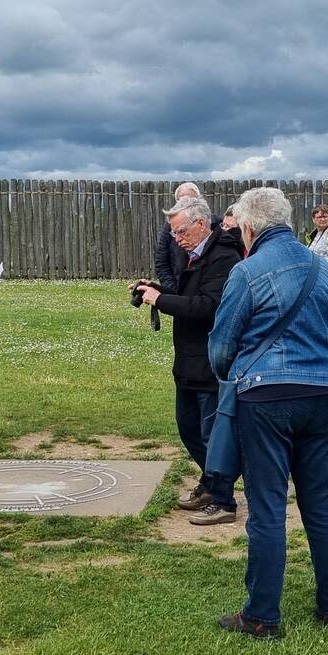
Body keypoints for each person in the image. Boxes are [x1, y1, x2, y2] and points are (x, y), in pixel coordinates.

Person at [208, 187, 328, 638]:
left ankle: (262, 615)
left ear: (248, 228)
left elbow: (222, 345)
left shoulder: (246, 271)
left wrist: (234, 370)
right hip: (327, 389)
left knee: (267, 506)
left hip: (268, 395)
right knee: (323, 501)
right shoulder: (321, 267)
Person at [133, 196, 245, 526]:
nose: (176, 239)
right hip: (189, 360)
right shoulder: (193, 256)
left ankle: (224, 499)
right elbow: (186, 297)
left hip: (211, 359)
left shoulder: (223, 256)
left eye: (181, 232)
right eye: (173, 234)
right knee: (189, 428)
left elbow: (207, 306)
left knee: (213, 434)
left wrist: (161, 299)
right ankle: (211, 484)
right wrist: (153, 289)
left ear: (201, 225)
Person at [153, 182, 203, 288]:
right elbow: (161, 262)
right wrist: (172, 290)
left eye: (191, 200)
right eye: (182, 201)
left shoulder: (211, 225)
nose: (186, 205)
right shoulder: (169, 227)